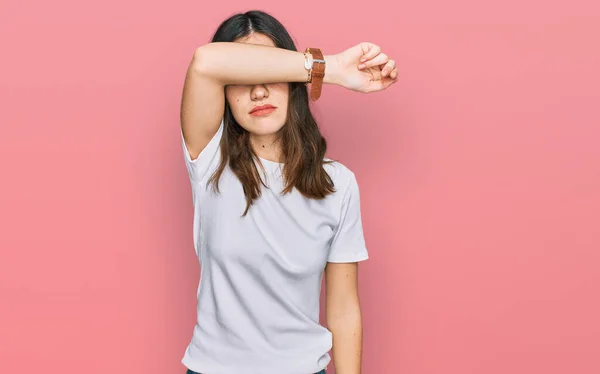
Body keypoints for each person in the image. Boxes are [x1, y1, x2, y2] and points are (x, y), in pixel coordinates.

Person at [179, 9, 397, 374]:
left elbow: (343, 311)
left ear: (292, 80)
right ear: (225, 93)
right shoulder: (209, 160)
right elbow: (205, 60)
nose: (259, 90)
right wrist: (334, 69)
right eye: (244, 75)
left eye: (272, 72)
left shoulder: (338, 184)